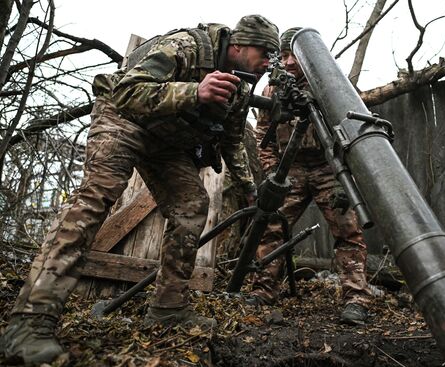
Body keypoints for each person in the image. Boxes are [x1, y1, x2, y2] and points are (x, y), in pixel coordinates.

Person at [0, 15, 279, 365]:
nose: (270, 62)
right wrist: (195, 91)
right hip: (122, 118)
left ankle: (168, 307)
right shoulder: (187, 46)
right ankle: (29, 321)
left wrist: (250, 188)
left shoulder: (240, 86)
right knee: (96, 197)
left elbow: (233, 140)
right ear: (238, 45)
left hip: (164, 141)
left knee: (192, 204)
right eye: (265, 52)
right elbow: (127, 90)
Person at [250, 27, 373, 325]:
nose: (289, 61)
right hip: (288, 170)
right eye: (283, 55)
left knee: (348, 232)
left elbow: (355, 130)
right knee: (270, 228)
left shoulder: (331, 86)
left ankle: (356, 299)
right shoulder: (273, 89)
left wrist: (349, 175)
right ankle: (261, 293)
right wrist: (271, 172)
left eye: (294, 54)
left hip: (329, 169)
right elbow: (261, 135)